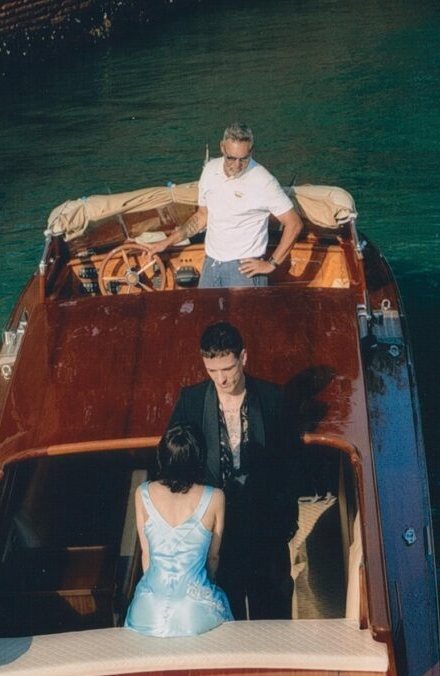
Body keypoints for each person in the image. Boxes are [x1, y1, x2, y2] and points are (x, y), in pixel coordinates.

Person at [168, 322, 296, 620]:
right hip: (216, 532)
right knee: (226, 613)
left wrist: (286, 522)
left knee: (274, 612)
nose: (221, 379)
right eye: (212, 371)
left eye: (227, 368)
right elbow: (175, 461)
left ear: (244, 358)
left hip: (265, 528)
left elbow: (289, 464)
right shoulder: (191, 400)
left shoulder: (273, 398)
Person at [149, 122, 303, 288]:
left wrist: (271, 264)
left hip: (245, 271)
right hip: (211, 265)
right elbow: (202, 216)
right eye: (231, 158)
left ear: (251, 151)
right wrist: (167, 242)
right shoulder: (209, 170)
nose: (237, 165)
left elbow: (294, 223)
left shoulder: (264, 181)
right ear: (222, 148)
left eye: (243, 159)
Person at [125, 424, 233, 638]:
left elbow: (146, 555)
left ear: (162, 457)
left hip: (149, 610)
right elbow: (213, 557)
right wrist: (207, 585)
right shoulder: (216, 497)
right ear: (199, 458)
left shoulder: (143, 493)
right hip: (194, 612)